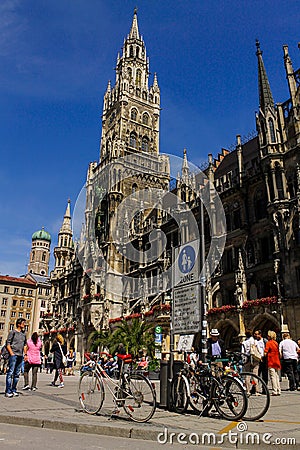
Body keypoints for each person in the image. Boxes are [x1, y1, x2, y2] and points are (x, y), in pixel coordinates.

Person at [5, 318, 27, 397]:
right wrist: (11, 353)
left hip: (20, 356)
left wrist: (25, 354)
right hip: (14, 355)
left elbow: (25, 345)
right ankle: (8, 390)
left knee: (17, 374)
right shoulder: (13, 332)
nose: (24, 324)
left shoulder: (24, 334)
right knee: (10, 373)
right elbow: (8, 343)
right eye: (23, 323)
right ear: (18, 324)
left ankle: (14, 389)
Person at [264, 330, 281, 396]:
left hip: (271, 360)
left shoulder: (269, 343)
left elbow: (265, 352)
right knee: (276, 376)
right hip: (276, 360)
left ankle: (274, 391)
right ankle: (278, 390)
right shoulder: (276, 343)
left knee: (272, 376)